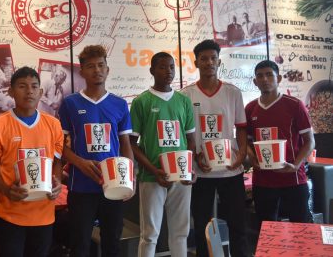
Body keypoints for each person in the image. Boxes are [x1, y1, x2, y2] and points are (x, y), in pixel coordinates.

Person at [58, 45, 134, 257]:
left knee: (112, 243)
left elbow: (125, 143)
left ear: (108, 69)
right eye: (90, 66)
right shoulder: (70, 103)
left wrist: (130, 178)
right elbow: (59, 145)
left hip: (114, 184)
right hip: (80, 186)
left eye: (101, 65)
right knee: (80, 244)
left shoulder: (119, 104)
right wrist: (79, 162)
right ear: (82, 72)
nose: (97, 70)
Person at [0, 66, 64, 257]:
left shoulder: (53, 124)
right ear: (11, 92)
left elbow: (57, 162)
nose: (29, 91)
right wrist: (6, 190)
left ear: (40, 92)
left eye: (34, 86)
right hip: (9, 214)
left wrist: (57, 181)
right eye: (22, 86)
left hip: (44, 213)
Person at [181, 40, 249, 257]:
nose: (209, 62)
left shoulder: (233, 92)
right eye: (204, 59)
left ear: (219, 61)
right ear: (196, 63)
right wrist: (194, 157)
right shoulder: (185, 95)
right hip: (201, 171)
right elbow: (185, 134)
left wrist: (240, 155)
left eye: (213, 58)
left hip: (231, 169)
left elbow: (241, 129)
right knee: (200, 225)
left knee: (237, 223)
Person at [129, 52, 196, 257]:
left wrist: (189, 168)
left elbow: (191, 141)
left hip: (180, 178)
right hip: (151, 177)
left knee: (180, 233)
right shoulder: (141, 101)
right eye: (162, 67)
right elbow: (132, 144)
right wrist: (153, 170)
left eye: (172, 67)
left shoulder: (183, 101)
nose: (168, 71)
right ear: (151, 71)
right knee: (149, 234)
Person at [245, 60, 315, 225]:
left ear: (279, 78)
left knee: (300, 228)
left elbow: (310, 141)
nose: (265, 79)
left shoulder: (294, 105)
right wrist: (252, 158)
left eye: (269, 74)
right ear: (255, 81)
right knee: (266, 230)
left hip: (293, 178)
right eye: (260, 76)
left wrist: (296, 165)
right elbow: (247, 141)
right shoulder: (250, 108)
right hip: (263, 181)